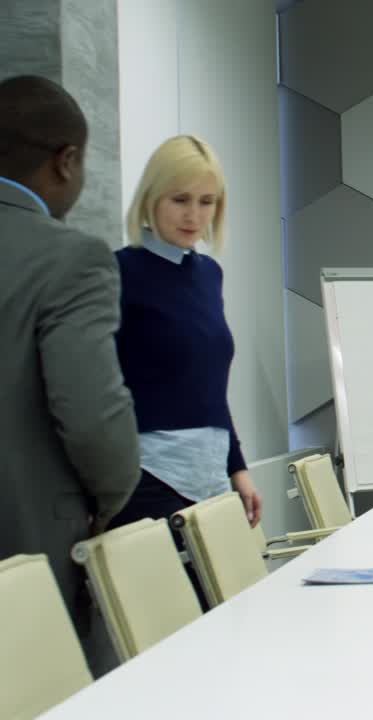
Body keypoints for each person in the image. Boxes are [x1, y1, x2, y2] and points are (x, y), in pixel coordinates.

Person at [0, 75, 140, 664]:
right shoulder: (72, 259)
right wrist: (110, 498)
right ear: (67, 160)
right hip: (28, 542)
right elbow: (90, 414)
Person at [107, 135, 262, 603]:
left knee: (229, 621)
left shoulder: (208, 274)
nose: (194, 215)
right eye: (180, 200)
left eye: (207, 202)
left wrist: (238, 468)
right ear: (151, 198)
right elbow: (100, 389)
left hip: (212, 477)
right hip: (146, 479)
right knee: (168, 633)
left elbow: (211, 387)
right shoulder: (116, 272)